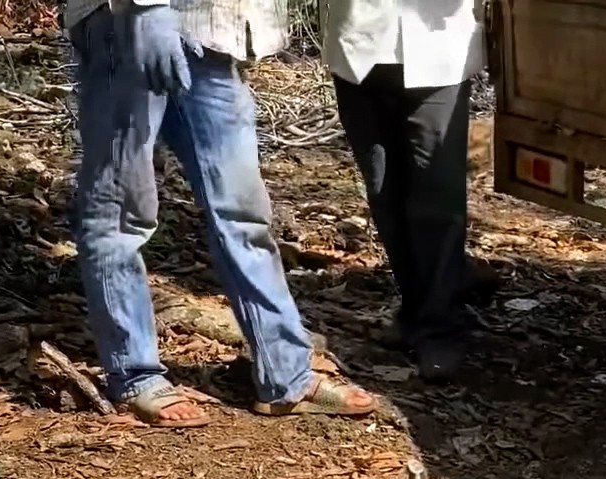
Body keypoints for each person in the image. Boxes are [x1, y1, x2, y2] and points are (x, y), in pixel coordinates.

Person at [63, 0, 377, 426]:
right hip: (127, 20)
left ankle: (286, 375)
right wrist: (149, 10)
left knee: (242, 209)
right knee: (120, 209)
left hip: (209, 29)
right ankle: (134, 374)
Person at [321, 0, 497, 381]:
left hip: (437, 51)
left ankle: (440, 328)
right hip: (359, 46)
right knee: (385, 192)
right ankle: (417, 310)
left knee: (437, 197)